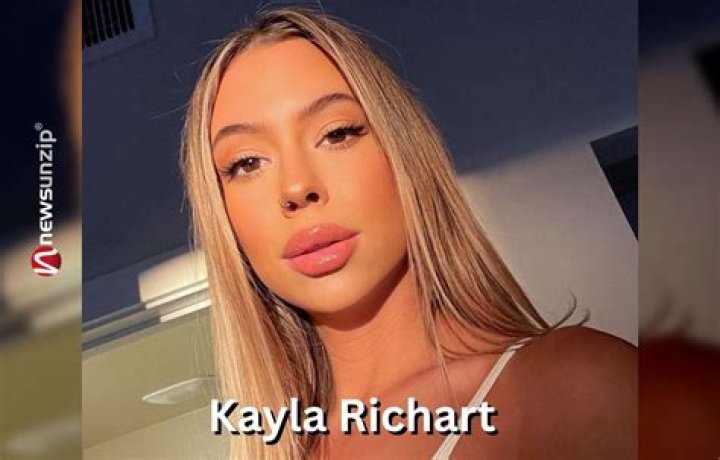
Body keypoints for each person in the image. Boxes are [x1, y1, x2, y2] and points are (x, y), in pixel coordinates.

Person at [181, 6, 636, 459]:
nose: (297, 187)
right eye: (246, 163)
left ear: (403, 151)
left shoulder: (573, 391)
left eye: (337, 133)